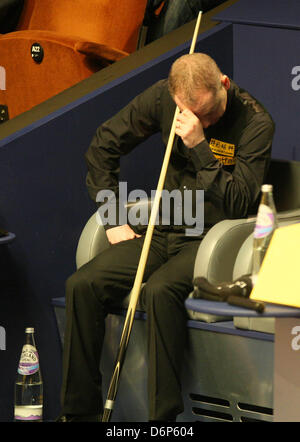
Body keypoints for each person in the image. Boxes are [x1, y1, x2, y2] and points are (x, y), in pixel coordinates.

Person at [58, 53, 275, 422]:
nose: (198, 120)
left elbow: (240, 204)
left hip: (212, 238)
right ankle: (78, 415)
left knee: (159, 291)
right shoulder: (163, 98)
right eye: (189, 113)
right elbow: (102, 145)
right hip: (162, 228)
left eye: (207, 113)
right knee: (82, 284)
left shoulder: (255, 121)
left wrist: (200, 145)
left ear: (223, 84)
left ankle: (162, 421)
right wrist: (112, 218)